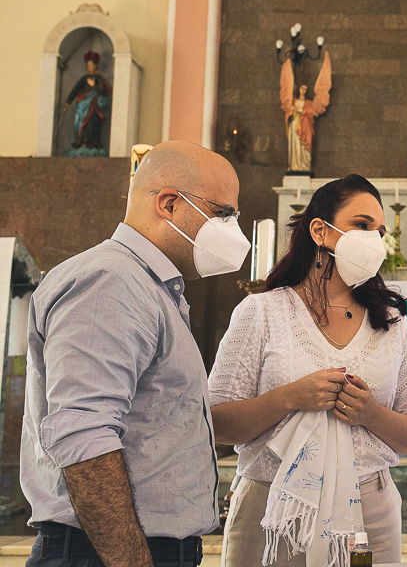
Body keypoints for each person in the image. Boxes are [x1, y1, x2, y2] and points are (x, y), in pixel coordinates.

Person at [21, 140, 249, 567]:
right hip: (106, 552)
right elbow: (84, 435)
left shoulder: (150, 287)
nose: (234, 230)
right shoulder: (112, 280)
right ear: (169, 204)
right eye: (223, 213)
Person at [209, 175, 407, 566]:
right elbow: (216, 423)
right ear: (320, 231)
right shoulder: (263, 312)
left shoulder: (391, 322)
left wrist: (370, 414)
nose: (374, 239)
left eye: (380, 232)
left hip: (370, 511)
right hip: (273, 508)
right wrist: (289, 397)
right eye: (362, 225)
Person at [280, 53, 331, 174]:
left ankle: (303, 166)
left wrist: (301, 113)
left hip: (305, 127)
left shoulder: (309, 104)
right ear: (299, 89)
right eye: (302, 88)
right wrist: (292, 113)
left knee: (304, 146)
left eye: (305, 89)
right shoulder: (294, 102)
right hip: (295, 127)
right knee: (295, 146)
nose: (303, 90)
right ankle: (295, 165)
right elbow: (289, 113)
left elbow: (311, 113)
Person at [62, 50, 111, 153]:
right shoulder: (84, 79)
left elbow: (105, 90)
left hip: (94, 105)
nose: (89, 67)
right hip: (83, 105)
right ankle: (82, 141)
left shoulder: (99, 78)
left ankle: (92, 142)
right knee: (81, 123)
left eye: (91, 65)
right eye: (88, 65)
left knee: (93, 123)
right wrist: (68, 102)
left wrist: (95, 87)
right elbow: (75, 90)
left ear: (96, 66)